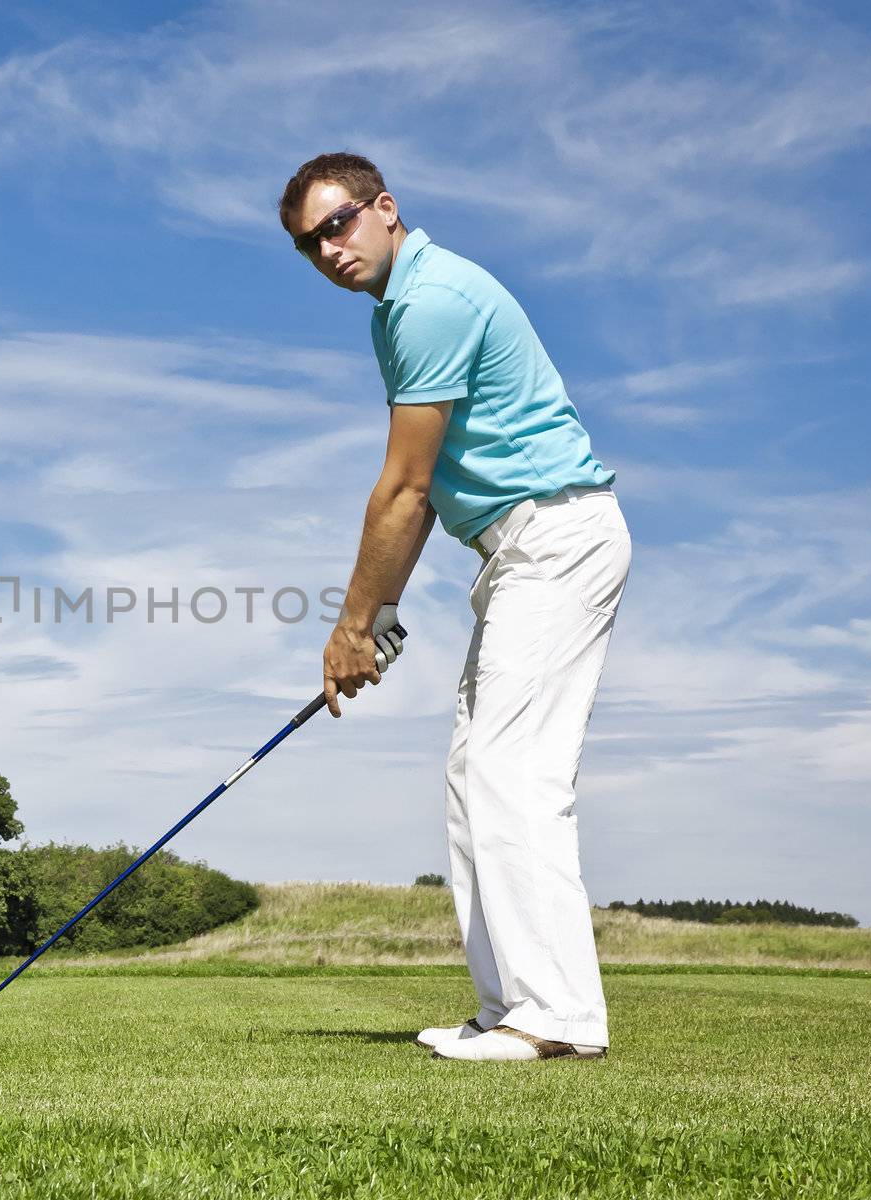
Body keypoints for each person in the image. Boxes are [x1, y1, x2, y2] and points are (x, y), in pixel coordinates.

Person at [278, 152, 630, 1062]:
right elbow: (427, 497)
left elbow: (404, 488)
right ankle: (510, 1004)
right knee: (475, 778)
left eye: (339, 224)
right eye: (310, 244)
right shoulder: (399, 311)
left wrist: (355, 626)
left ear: (384, 208)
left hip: (555, 539)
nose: (329, 250)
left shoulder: (431, 300)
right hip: (517, 551)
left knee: (516, 774)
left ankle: (556, 1017)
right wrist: (382, 609)